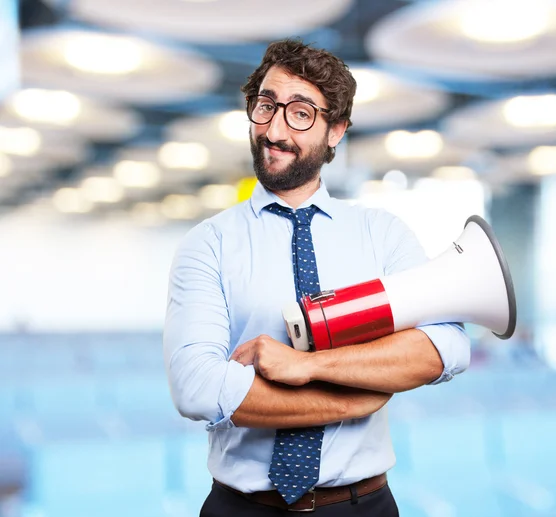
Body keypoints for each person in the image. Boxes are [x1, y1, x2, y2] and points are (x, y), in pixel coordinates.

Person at [163, 39, 470, 516]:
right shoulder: (208, 243)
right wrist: (353, 399)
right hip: (241, 507)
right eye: (266, 106)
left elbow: (445, 347)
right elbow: (197, 387)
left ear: (336, 131)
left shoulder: (382, 234)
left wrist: (308, 366)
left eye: (301, 113)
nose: (275, 129)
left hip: (361, 505)